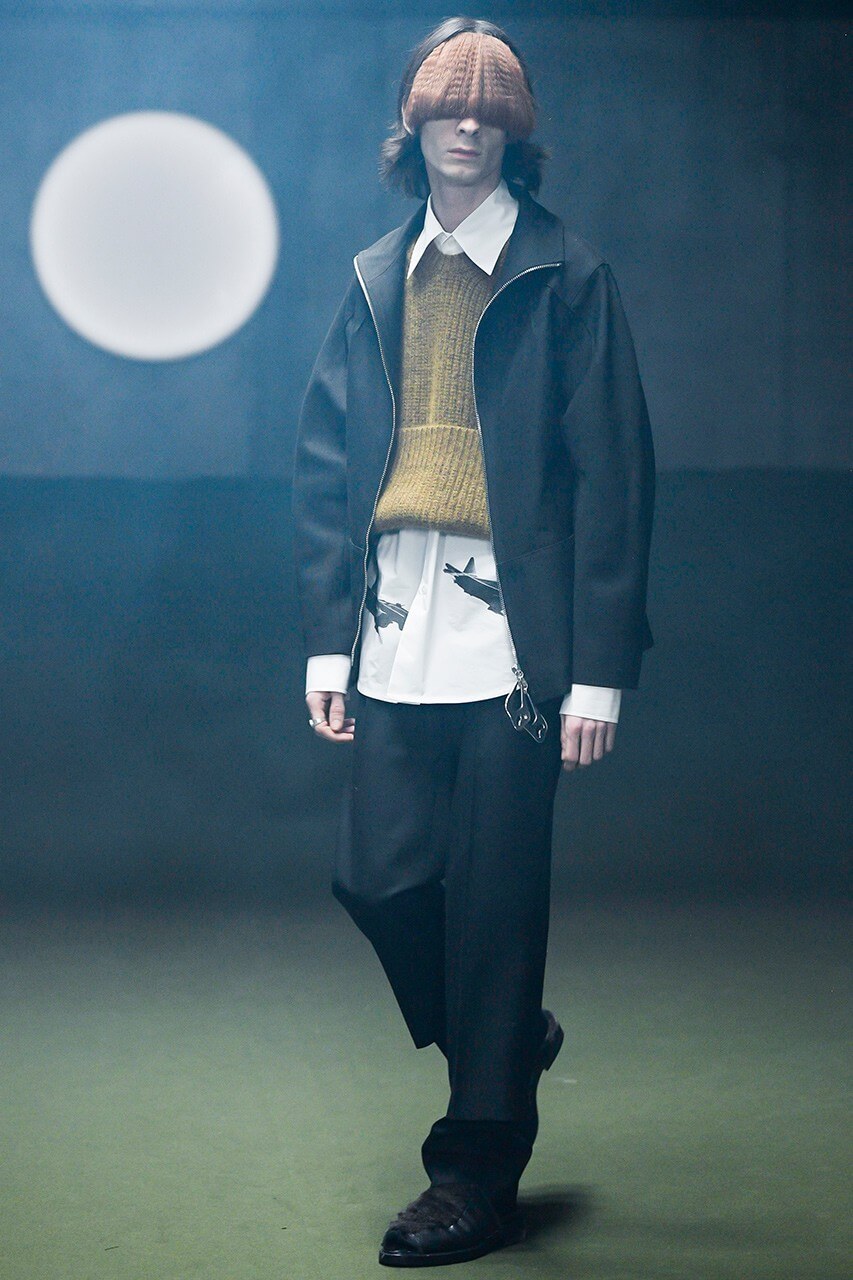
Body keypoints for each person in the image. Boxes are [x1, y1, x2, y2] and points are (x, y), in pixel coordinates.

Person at [292, 16, 655, 1268]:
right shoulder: (373, 277)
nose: (467, 123)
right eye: (448, 105)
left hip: (519, 636)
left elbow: (614, 478)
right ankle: (501, 1038)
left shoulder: (567, 276)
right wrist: (326, 643)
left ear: (514, 133)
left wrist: (598, 669)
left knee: (495, 907)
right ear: (413, 127)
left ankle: (473, 1170)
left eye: (491, 109)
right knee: (379, 877)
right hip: (395, 616)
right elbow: (325, 466)